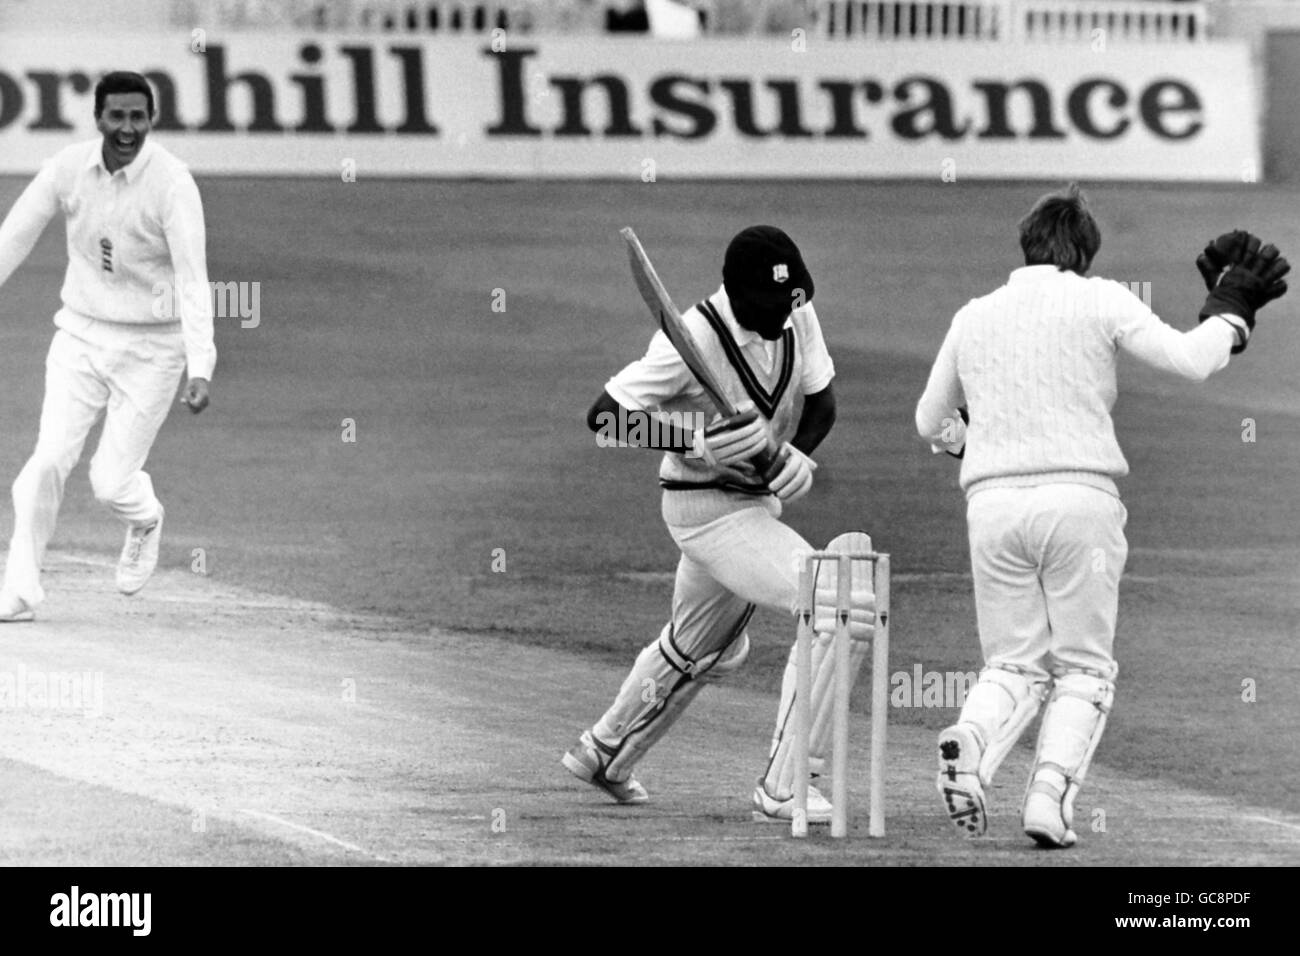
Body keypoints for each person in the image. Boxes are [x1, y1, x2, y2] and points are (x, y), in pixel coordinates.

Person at [915, 184, 1287, 848]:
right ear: (1085, 251)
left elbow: (928, 420)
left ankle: (970, 740)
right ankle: (1049, 800)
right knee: (1083, 669)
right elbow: (1192, 361)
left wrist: (980, 446)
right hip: (1080, 505)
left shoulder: (975, 313)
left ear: (1026, 244)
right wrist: (1232, 308)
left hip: (993, 507)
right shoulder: (1102, 297)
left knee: (1010, 663)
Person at [563, 225, 875, 823]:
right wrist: (695, 439)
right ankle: (785, 787)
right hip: (704, 510)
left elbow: (822, 402)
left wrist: (796, 455)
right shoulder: (694, 336)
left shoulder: (794, 312)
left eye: (789, 310)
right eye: (766, 313)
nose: (781, 324)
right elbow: (604, 419)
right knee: (842, 603)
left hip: (752, 508)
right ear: (736, 297)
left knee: (703, 648)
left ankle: (606, 750)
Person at [0, 71, 216, 622]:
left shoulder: (172, 183)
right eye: (116, 116)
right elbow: (14, 236)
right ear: (98, 118)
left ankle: (144, 519)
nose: (127, 128)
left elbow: (193, 279)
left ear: (152, 120)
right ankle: (20, 589)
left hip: (153, 347)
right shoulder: (69, 168)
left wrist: (202, 363)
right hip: (79, 333)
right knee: (46, 461)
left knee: (110, 483)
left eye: (137, 117)